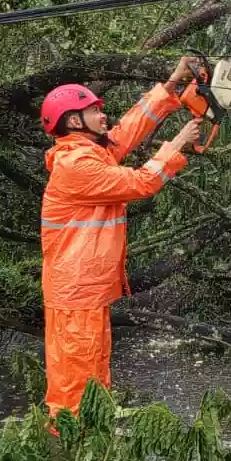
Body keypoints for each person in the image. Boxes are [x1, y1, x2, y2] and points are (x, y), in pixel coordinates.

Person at [35, 56, 204, 423]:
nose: (103, 114)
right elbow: (141, 183)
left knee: (94, 368)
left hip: (86, 290)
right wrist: (177, 143)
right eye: (94, 111)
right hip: (76, 293)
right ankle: (70, 447)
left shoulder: (90, 153)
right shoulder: (76, 166)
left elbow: (127, 129)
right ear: (73, 121)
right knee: (75, 383)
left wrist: (172, 84)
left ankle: (94, 436)